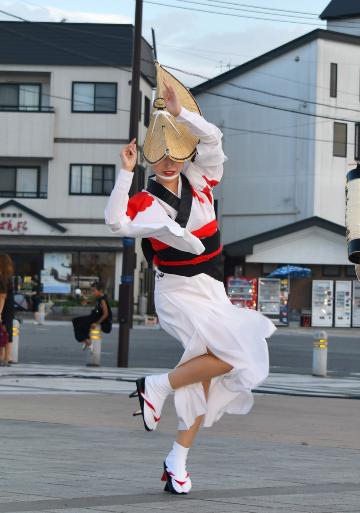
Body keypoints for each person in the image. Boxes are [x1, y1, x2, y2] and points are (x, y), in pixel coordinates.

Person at [105, 63, 276, 495]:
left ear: (185, 152)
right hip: (178, 292)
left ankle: (176, 459)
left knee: (207, 375)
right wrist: (125, 173)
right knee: (234, 356)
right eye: (158, 154)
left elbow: (214, 139)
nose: (166, 161)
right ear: (148, 155)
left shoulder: (202, 180)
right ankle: (156, 386)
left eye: (175, 151)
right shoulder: (144, 199)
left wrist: (182, 114)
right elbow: (116, 223)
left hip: (212, 290)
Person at [72, 281, 112, 350]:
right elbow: (97, 308)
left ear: (100, 290)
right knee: (75, 321)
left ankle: (87, 341)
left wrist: (96, 323)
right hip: (94, 316)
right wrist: (87, 302)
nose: (93, 293)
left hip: (99, 320)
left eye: (94, 291)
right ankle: (86, 339)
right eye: (92, 291)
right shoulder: (98, 298)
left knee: (80, 326)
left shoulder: (102, 299)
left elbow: (106, 314)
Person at [0, 254, 15, 366]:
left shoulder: (2, 277)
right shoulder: (8, 277)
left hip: (3, 305)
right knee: (6, 330)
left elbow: (2, 296)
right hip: (9, 307)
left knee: (3, 330)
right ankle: (8, 357)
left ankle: (4, 356)